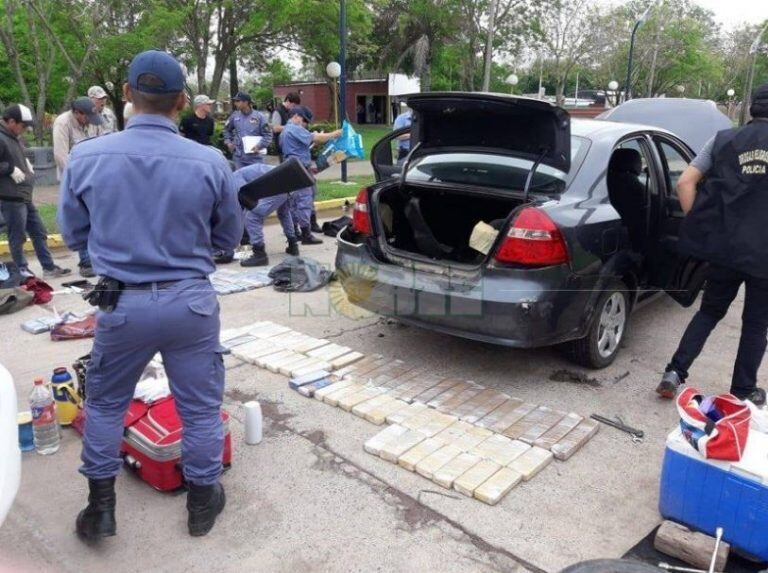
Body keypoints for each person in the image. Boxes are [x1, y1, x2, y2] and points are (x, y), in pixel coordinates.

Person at [58, 50, 242, 541]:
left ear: (125, 95)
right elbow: (228, 238)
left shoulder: (87, 156)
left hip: (124, 304)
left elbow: (74, 233)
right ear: (183, 101)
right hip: (190, 303)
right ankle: (201, 504)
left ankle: (100, 509)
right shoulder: (210, 161)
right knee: (200, 409)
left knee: (105, 404)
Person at [656, 83, 768, 407]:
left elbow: (684, 182)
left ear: (751, 109)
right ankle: (743, 391)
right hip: (764, 256)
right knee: (756, 324)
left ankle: (675, 372)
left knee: (709, 312)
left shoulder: (722, 140)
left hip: (724, 247)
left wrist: (701, 226)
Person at [0, 105, 70, 279]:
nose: (24, 130)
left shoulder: (14, 137)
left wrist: (25, 166)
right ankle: (21, 269)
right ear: (10, 121)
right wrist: (10, 169)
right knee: (17, 236)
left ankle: (48, 267)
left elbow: (17, 156)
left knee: (39, 231)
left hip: (24, 195)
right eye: (23, 126)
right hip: (10, 196)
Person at [52, 97, 103, 278]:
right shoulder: (62, 123)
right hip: (73, 178)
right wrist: (76, 178)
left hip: (94, 176)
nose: (89, 121)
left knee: (97, 216)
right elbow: (60, 155)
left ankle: (97, 257)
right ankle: (85, 261)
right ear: (77, 113)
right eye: (86, 117)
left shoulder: (92, 122)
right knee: (80, 217)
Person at [281, 106, 341, 245]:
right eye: (304, 121)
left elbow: (305, 144)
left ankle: (295, 232)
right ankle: (306, 234)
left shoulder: (287, 130)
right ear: (296, 116)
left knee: (296, 201)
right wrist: (334, 134)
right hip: (299, 169)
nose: (305, 125)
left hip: (295, 168)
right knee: (303, 201)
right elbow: (317, 138)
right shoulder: (294, 128)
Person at [234, 163, 299, 267]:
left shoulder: (234, 177)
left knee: (252, 217)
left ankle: (260, 255)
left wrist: (242, 249)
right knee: (284, 213)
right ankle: (293, 245)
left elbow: (243, 201)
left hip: (277, 186)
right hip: (291, 183)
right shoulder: (246, 171)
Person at [223, 91, 272, 169]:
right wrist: (228, 142)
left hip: (255, 158)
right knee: (239, 180)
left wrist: (259, 146)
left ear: (246, 102)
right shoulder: (234, 116)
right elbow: (226, 130)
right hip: (239, 158)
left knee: (257, 180)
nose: (235, 103)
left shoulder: (260, 117)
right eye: (235, 101)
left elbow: (268, 135)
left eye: (238, 101)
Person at [271, 92, 301, 161]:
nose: (294, 108)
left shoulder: (289, 111)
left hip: (290, 145)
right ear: (287, 101)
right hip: (282, 146)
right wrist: (292, 127)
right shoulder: (278, 111)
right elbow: (275, 128)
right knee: (285, 167)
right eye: (293, 105)